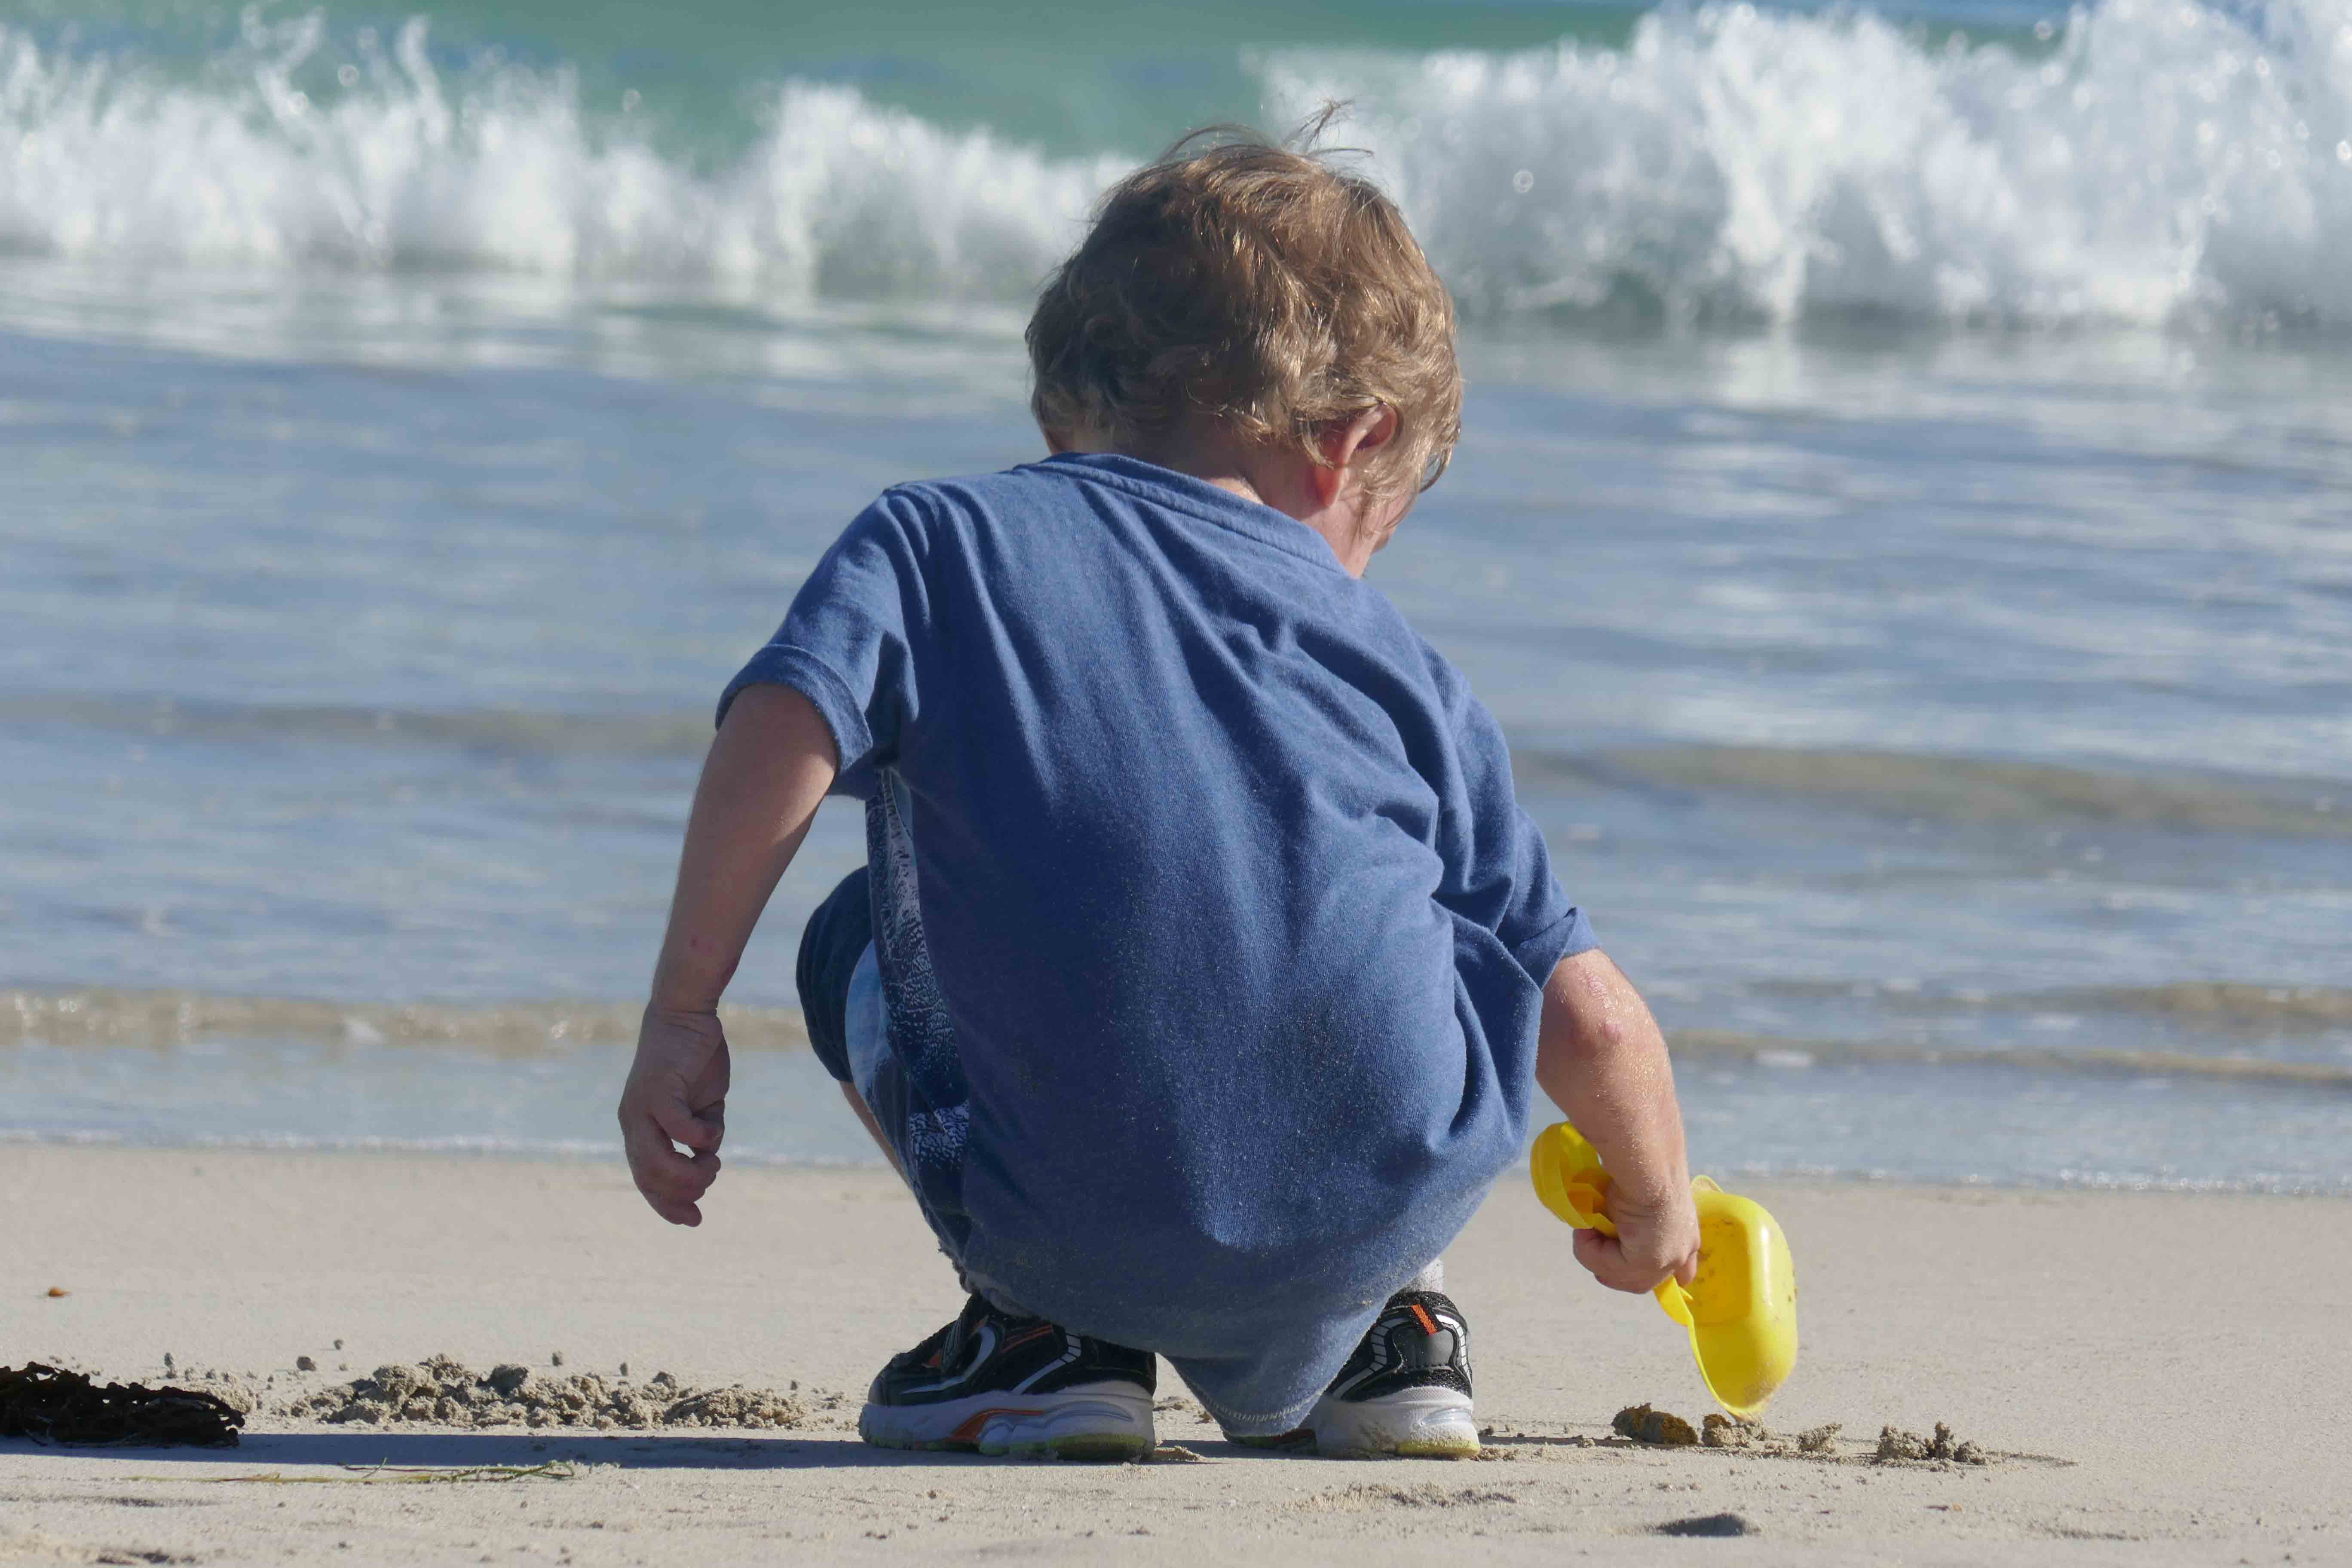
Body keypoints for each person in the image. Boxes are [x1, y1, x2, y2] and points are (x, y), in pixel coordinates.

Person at [617, 125, 1700, 1462]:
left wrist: (683, 1009)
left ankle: (1042, 1335)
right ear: (1350, 442)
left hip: (1070, 1209)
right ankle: (1386, 1333)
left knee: (850, 930)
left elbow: (789, 718)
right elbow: (1590, 1015)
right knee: (1414, 935)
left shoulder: (937, 540)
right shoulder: (1412, 677)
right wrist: (1659, 1208)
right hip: (1378, 1207)